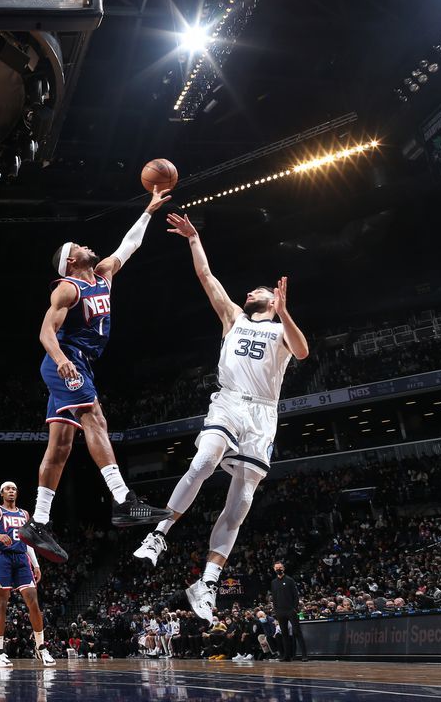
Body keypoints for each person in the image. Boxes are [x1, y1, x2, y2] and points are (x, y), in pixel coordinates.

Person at [133, 214, 309, 624]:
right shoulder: (233, 317)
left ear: (272, 299)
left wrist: (286, 313)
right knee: (204, 459)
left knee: (242, 499)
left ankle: (207, 581)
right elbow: (206, 276)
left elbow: (301, 352)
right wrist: (194, 239)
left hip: (263, 413)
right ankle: (158, 535)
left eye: (258, 289)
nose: (249, 291)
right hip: (229, 401)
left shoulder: (281, 328)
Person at [18, 187, 174, 564]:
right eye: (80, 246)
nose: (89, 246)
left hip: (80, 362)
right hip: (67, 360)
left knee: (60, 447)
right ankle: (123, 500)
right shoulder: (68, 289)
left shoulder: (102, 275)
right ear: (71, 260)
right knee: (96, 418)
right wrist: (60, 361)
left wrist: (148, 211)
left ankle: (38, 522)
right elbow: (44, 333)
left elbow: (129, 245)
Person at [0, 481, 54, 668]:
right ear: (1, 493)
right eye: (7, 489)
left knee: (33, 602)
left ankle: (41, 647)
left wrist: (36, 564)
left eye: (14, 489)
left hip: (21, 559)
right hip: (2, 558)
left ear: (16, 493)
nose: (11, 491)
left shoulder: (24, 514)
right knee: (2, 602)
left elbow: (28, 541)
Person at [270, 562, 308, 661]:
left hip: (290, 610)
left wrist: (294, 609)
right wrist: (276, 610)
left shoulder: (289, 580)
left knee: (297, 632)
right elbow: (274, 598)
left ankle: (304, 655)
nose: (278, 569)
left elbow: (296, 595)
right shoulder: (273, 582)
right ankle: (286, 656)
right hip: (280, 612)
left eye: (280, 567)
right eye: (276, 568)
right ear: (274, 569)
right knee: (284, 634)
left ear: (283, 568)